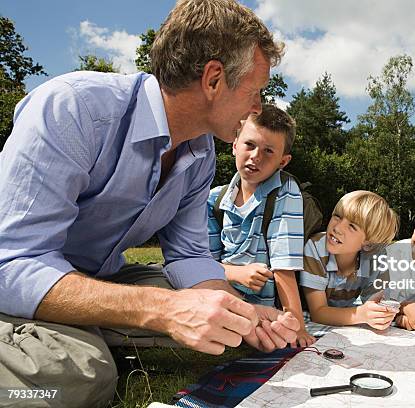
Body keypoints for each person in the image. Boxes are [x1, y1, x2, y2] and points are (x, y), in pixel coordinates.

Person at [0, 1, 299, 406]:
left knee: (223, 325)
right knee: (80, 373)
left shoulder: (201, 155)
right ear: (214, 79)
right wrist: (162, 311)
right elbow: (12, 263)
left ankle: (78, 331)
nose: (258, 106)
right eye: (255, 90)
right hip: (26, 276)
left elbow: (190, 253)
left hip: (103, 277)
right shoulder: (73, 108)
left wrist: (234, 310)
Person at [207, 104, 314, 347]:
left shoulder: (286, 192)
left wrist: (296, 322)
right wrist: (236, 273)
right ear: (235, 145)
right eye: (249, 145)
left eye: (268, 151)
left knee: (271, 337)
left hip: (267, 312)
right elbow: (203, 264)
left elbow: (283, 265)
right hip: (222, 300)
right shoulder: (213, 199)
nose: (256, 156)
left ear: (283, 161)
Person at [299, 191, 400, 330]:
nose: (337, 228)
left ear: (369, 244)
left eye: (352, 226)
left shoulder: (374, 259)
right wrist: (360, 314)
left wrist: (380, 314)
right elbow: (318, 313)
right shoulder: (316, 248)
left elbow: (378, 302)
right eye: (337, 216)